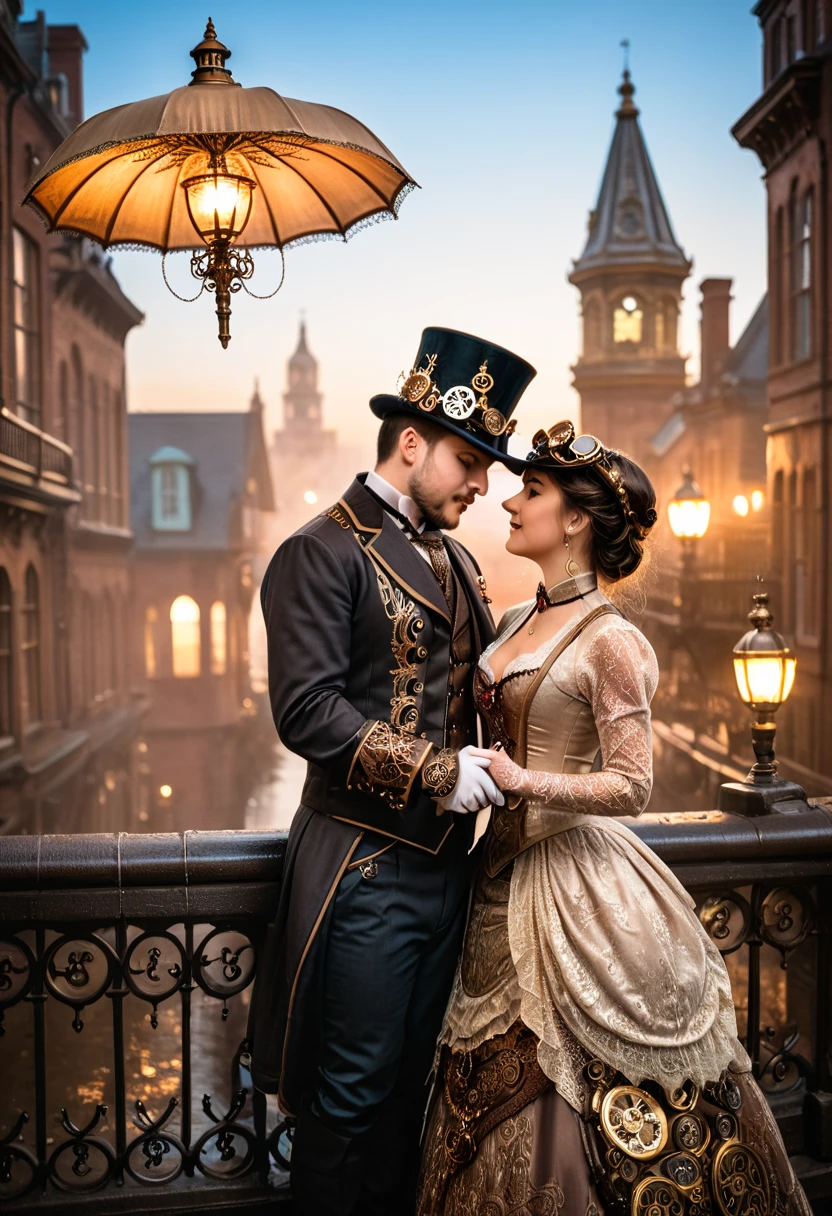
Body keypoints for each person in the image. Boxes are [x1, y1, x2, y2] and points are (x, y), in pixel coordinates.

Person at [418, 421, 811, 1216]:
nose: (511, 500)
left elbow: (634, 785)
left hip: (574, 886)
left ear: (574, 522)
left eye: (532, 491)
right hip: (491, 884)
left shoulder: (612, 641)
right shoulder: (513, 624)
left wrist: (525, 779)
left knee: (567, 1084)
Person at [248, 327, 536, 1215]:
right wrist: (436, 772)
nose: (484, 485)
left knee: (414, 1091)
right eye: (469, 460)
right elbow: (306, 711)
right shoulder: (318, 550)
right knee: (351, 1101)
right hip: (362, 871)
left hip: (450, 872)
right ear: (410, 442)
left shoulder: (457, 557)